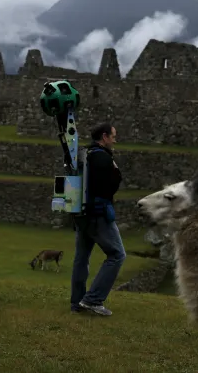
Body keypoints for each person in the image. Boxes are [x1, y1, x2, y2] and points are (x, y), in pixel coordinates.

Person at [70, 122, 126, 316]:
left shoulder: (85, 155)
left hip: (82, 215)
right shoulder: (102, 158)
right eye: (113, 136)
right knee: (117, 255)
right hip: (98, 214)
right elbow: (112, 183)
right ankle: (93, 300)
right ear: (104, 137)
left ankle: (77, 302)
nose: (114, 140)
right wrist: (115, 170)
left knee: (81, 259)